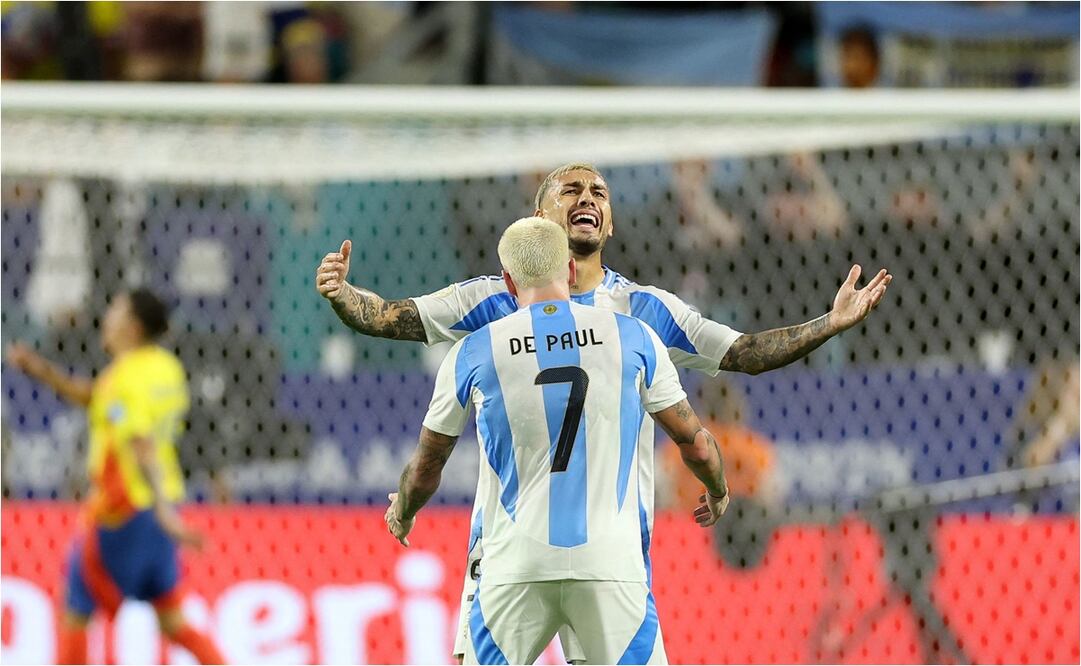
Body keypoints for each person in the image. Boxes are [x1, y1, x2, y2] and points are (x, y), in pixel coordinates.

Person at [316, 161, 891, 662]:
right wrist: (344, 295)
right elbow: (392, 316)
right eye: (569, 190)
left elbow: (743, 352)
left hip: (571, 559)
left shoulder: (643, 309)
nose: (587, 198)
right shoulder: (492, 298)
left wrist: (829, 323)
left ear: (610, 223)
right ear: (538, 218)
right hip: (544, 556)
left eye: (599, 192)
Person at [383, 217, 730, 663]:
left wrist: (403, 511)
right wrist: (717, 490)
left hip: (514, 568)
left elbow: (428, 467)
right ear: (569, 269)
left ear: (508, 281)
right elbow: (695, 443)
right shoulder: (635, 337)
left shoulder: (472, 350)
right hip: (610, 566)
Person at [5, 289, 226, 665]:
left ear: (132, 327)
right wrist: (42, 370)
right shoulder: (164, 369)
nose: (106, 317)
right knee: (173, 621)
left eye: (114, 310)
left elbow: (139, 444)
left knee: (75, 607)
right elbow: (96, 397)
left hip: (124, 510)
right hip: (160, 508)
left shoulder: (126, 379)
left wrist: (165, 516)